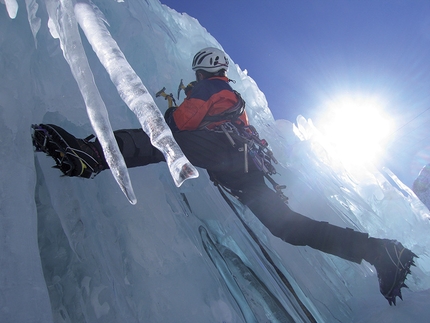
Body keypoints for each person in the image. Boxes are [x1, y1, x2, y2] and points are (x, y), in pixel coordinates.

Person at [32, 47, 415, 305]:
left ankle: (89, 153)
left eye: (199, 70)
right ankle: (379, 250)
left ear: (205, 68)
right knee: (290, 229)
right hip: (242, 169)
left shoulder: (212, 86)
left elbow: (184, 120)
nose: (198, 74)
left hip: (221, 155)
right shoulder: (234, 100)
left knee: (165, 141)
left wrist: (168, 115)